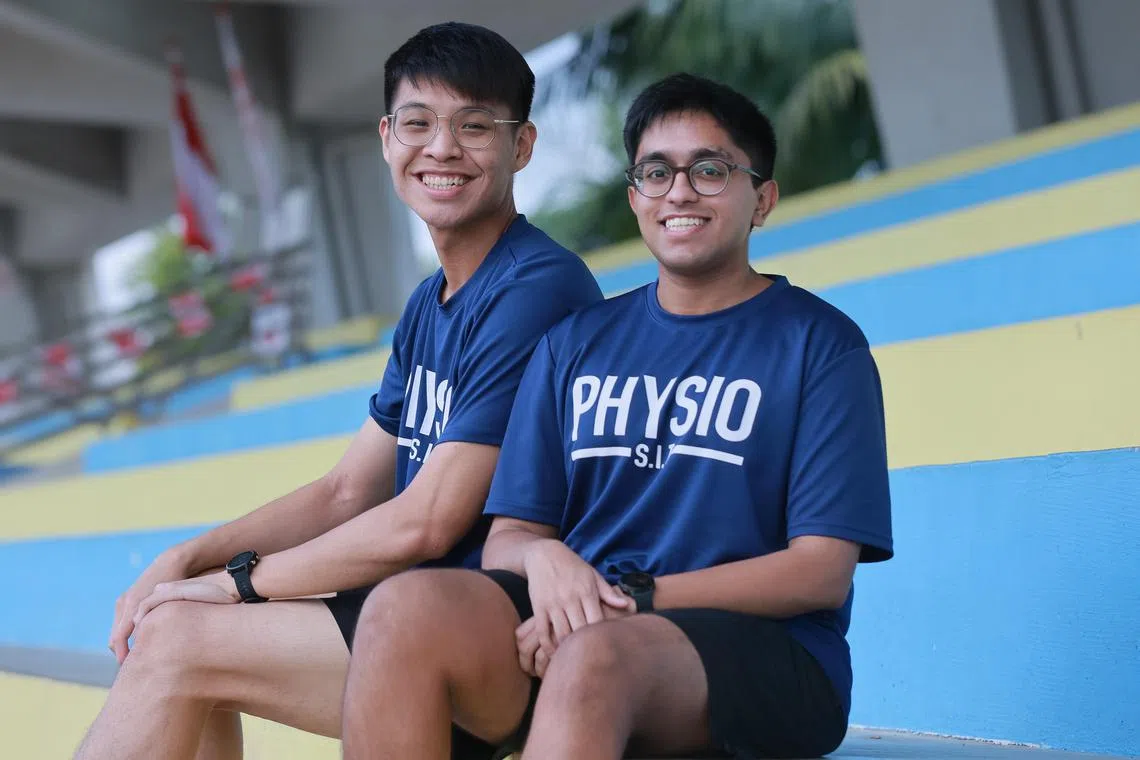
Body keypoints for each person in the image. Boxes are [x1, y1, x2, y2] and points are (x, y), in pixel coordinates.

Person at [74, 21, 603, 760]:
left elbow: (426, 522)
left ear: (521, 146)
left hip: (496, 627)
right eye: (419, 123)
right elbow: (347, 492)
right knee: (176, 636)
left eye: (475, 126)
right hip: (405, 607)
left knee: (181, 640)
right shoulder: (430, 304)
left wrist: (235, 586)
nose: (442, 149)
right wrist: (188, 559)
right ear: (387, 137)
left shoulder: (536, 288)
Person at [340, 72, 894, 760]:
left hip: (770, 657)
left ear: (763, 199)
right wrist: (547, 562)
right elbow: (512, 532)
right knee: (400, 609)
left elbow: (819, 572)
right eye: (656, 172)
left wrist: (629, 599)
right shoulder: (574, 345)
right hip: (581, 625)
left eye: (711, 170)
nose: (680, 191)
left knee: (597, 656)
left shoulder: (820, 346)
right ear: (636, 199)